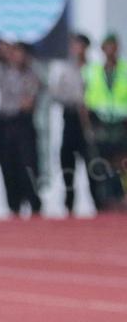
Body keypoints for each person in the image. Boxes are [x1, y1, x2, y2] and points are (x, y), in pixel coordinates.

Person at [0, 42, 44, 217]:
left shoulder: (32, 74)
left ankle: (34, 202)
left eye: (20, 52)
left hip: (23, 124)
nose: (16, 56)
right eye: (14, 52)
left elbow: (28, 104)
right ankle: (13, 205)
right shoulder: (2, 71)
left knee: (28, 165)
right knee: (7, 164)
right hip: (5, 124)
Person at [52, 33, 99, 214]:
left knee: (92, 162)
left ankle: (97, 202)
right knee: (67, 161)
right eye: (74, 45)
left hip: (89, 120)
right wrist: (77, 100)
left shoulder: (94, 69)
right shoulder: (64, 69)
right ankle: (69, 201)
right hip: (70, 117)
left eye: (80, 45)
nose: (76, 48)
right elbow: (56, 93)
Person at [84, 34, 127, 209]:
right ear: (102, 49)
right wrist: (89, 127)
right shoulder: (93, 71)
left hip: (122, 123)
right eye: (107, 46)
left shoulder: (124, 69)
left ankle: (123, 197)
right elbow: (86, 101)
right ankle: (107, 200)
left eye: (113, 46)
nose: (110, 50)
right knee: (103, 163)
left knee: (123, 162)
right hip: (100, 122)